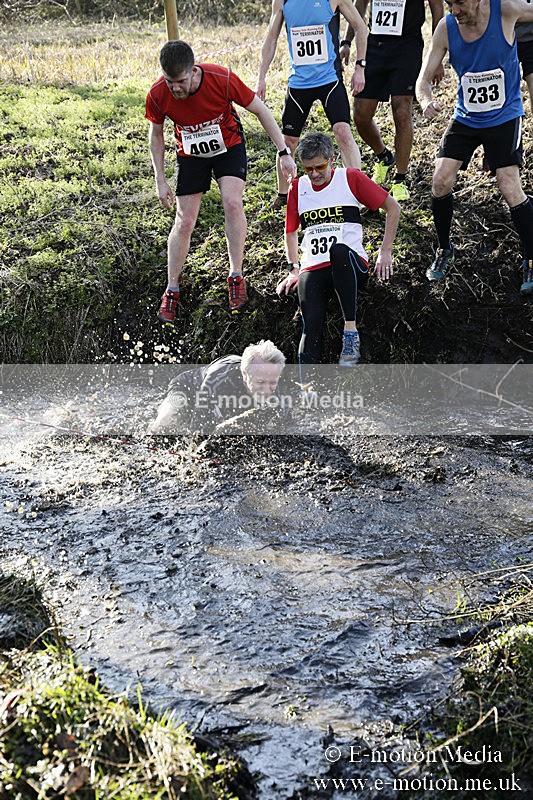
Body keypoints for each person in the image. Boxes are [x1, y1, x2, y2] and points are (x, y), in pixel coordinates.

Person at [146, 40, 297, 323]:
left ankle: (236, 274)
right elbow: (156, 135)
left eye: (179, 81)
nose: (174, 88)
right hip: (191, 154)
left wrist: (284, 152)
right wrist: (160, 179)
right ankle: (172, 288)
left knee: (232, 202)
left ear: (193, 71)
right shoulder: (157, 94)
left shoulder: (221, 78)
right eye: (169, 81)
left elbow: (261, 110)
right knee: (185, 220)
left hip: (228, 146)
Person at [415, 0, 533, 295]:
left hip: (505, 115)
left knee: (509, 185)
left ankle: (531, 257)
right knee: (440, 181)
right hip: (467, 117)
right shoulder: (446, 28)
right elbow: (422, 80)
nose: (454, 11)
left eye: (460, 3)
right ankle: (444, 250)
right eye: (448, 3)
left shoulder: (506, 10)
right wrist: (426, 101)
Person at [276, 132, 400, 366]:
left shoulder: (350, 178)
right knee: (309, 327)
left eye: (319, 167)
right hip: (313, 267)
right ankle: (308, 393)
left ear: (331, 159)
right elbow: (290, 231)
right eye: (307, 169)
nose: (314, 174)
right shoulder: (297, 188)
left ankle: (350, 333)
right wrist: (294, 268)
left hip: (350, 265)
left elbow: (392, 208)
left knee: (339, 250)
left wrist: (385, 251)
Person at [255, 0, 368, 209]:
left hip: (329, 80)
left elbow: (361, 27)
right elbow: (271, 38)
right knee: (288, 141)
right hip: (299, 83)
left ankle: (359, 194)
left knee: (343, 132)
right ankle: (283, 196)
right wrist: (261, 76)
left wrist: (360, 66)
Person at [343, 0, 444, 202]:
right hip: (375, 45)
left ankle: (400, 178)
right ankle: (384, 156)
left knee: (402, 110)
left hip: (407, 46)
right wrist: (347, 41)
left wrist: (438, 57)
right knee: (361, 115)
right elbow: (359, 6)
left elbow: (437, 10)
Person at [150, 340, 287, 433]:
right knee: (166, 422)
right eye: (261, 382)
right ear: (245, 374)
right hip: (187, 390)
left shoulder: (274, 383)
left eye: (272, 383)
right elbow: (198, 430)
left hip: (226, 399)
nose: (267, 390)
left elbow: (284, 426)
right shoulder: (219, 379)